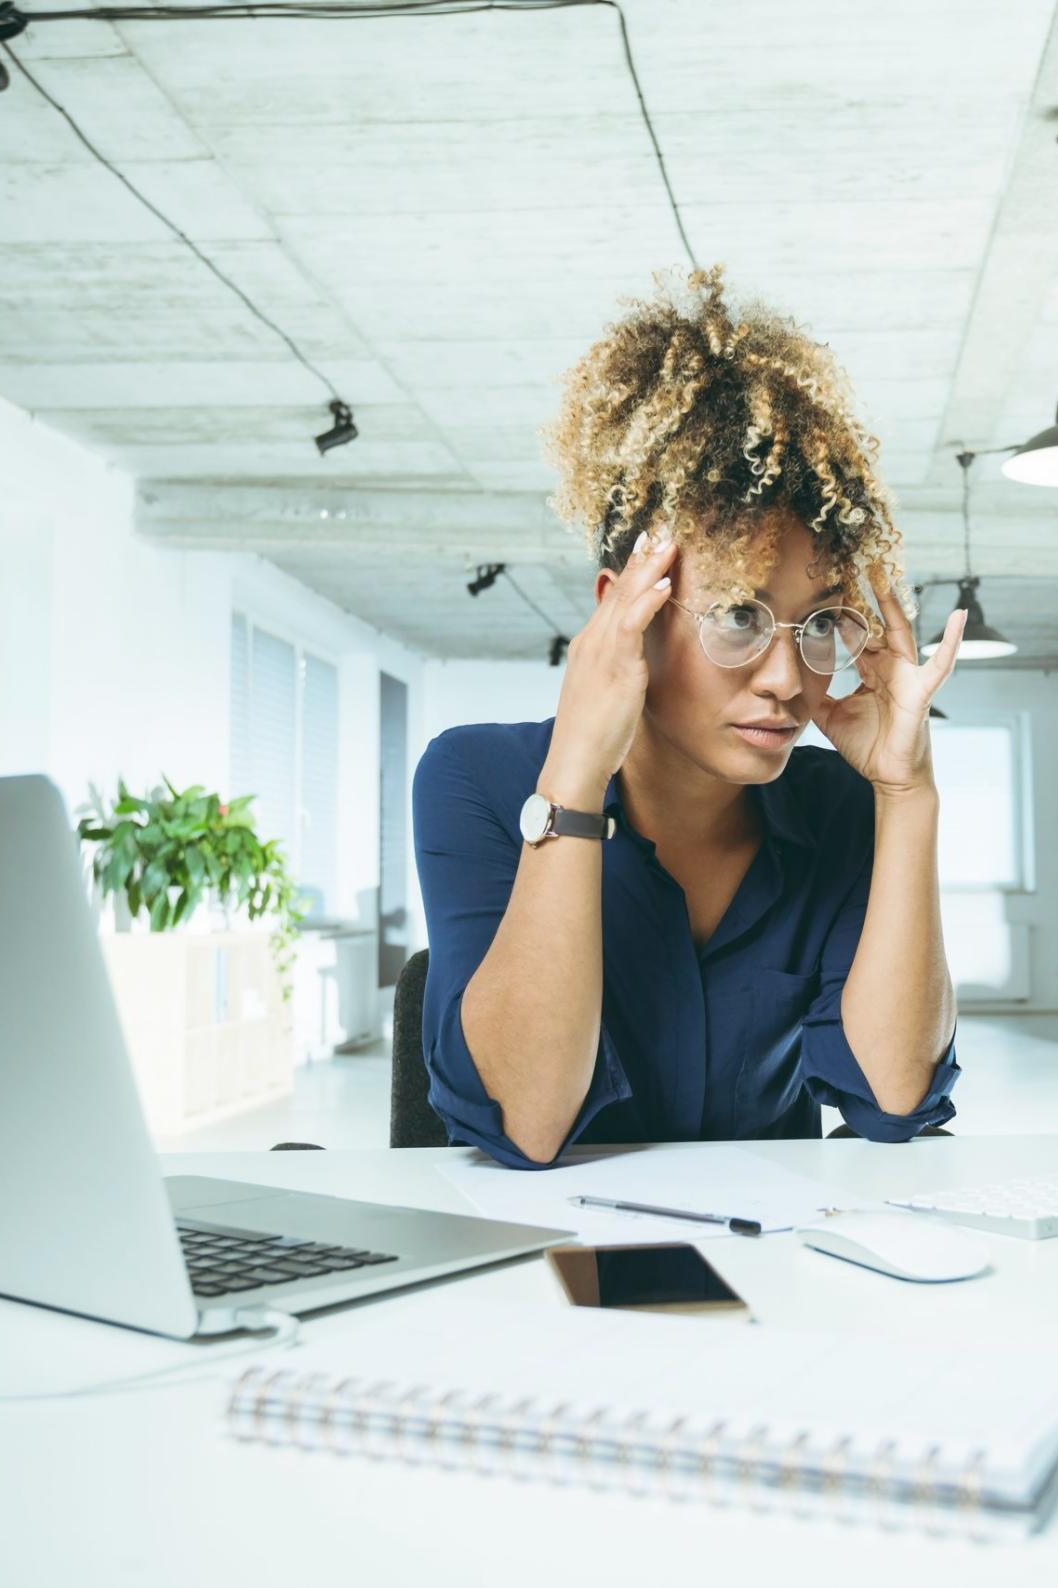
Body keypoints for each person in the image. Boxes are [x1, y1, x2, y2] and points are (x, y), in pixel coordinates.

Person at [413, 268, 968, 1168]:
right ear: (624, 612)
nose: (788, 679)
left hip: (776, 1267)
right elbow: (526, 1123)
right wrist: (574, 781)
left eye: (817, 623)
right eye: (740, 616)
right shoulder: (478, 779)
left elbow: (893, 1102)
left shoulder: (835, 808)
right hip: (537, 1272)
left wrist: (906, 796)